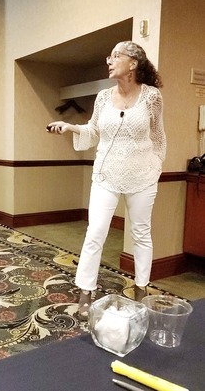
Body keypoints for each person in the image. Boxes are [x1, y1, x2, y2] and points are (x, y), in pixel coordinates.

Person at [47, 41, 166, 318]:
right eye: (109, 56)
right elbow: (93, 130)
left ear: (133, 63)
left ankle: (141, 288)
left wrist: (156, 166)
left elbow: (159, 136)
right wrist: (70, 126)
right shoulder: (102, 97)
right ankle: (85, 292)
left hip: (143, 176)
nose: (109, 61)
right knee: (95, 232)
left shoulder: (151, 97)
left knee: (141, 234)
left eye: (115, 56)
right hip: (106, 175)